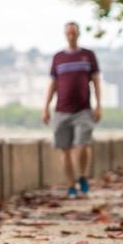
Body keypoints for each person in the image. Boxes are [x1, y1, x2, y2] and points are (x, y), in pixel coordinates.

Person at [42, 22, 102, 198]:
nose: (71, 36)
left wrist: (99, 105)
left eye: (74, 33)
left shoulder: (88, 55)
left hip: (83, 109)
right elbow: (53, 84)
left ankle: (82, 176)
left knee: (83, 145)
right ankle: (71, 185)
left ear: (78, 34)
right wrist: (45, 107)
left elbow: (96, 82)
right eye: (68, 33)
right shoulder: (58, 57)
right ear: (64, 34)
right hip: (61, 110)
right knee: (65, 149)